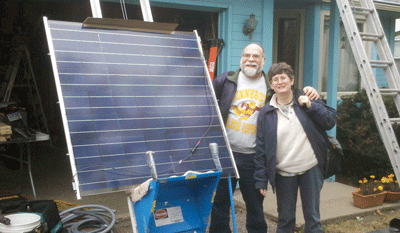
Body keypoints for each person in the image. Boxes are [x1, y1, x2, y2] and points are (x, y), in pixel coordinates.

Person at [210, 44, 320, 233]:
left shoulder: (271, 85)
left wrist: (311, 92)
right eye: (246, 55)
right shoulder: (226, 81)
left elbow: (292, 94)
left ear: (263, 60)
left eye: (255, 56)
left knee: (254, 206)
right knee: (220, 203)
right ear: (241, 59)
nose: (250, 59)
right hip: (226, 154)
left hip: (253, 158)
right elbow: (207, 101)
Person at [254, 62, 336, 233]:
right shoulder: (266, 112)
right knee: (285, 219)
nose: (280, 82)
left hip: (310, 169)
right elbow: (261, 148)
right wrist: (261, 178)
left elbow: (330, 120)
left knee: (313, 219)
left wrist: (311, 106)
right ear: (271, 85)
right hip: (284, 173)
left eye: (283, 77)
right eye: (275, 79)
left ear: (292, 80)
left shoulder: (306, 98)